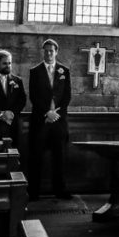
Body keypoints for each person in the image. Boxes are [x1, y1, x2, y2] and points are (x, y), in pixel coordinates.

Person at [27, 38, 72, 200]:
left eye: (51, 51)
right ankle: (33, 191)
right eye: (46, 51)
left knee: (59, 156)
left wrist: (56, 113)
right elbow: (33, 96)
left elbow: (67, 96)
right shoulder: (35, 71)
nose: (48, 53)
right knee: (36, 156)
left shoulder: (64, 71)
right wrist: (47, 112)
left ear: (56, 52)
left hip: (59, 121)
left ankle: (60, 190)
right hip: (41, 120)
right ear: (43, 52)